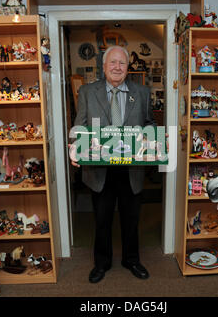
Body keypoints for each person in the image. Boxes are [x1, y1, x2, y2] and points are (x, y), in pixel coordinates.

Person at [70, 45, 156, 283]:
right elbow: (80, 126)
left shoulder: (142, 92)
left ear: (128, 68)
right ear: (104, 66)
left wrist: (150, 135)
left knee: (131, 219)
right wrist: (75, 147)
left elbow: (150, 122)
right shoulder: (88, 92)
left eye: (122, 63)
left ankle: (131, 259)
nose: (117, 67)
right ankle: (102, 263)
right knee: (102, 220)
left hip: (132, 169)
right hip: (100, 171)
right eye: (113, 63)